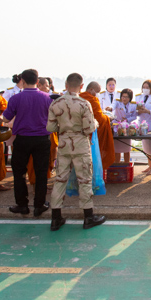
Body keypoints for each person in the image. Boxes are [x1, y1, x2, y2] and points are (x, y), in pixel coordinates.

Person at [46, 73, 107, 231]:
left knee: (60, 180)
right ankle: (88, 217)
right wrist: (94, 123)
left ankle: (55, 218)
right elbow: (88, 128)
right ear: (81, 86)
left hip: (64, 144)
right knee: (84, 180)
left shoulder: (56, 103)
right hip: (80, 145)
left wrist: (63, 128)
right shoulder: (84, 104)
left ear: (66, 84)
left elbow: (50, 128)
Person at [0, 69, 52, 218]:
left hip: (22, 138)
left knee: (19, 173)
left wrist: (0, 118)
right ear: (37, 81)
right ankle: (39, 205)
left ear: (22, 81)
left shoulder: (16, 98)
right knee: (41, 173)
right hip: (42, 139)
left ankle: (22, 205)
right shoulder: (47, 98)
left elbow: (7, 119)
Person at [79, 82, 116, 176]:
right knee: (91, 158)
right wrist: (108, 118)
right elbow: (99, 118)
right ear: (91, 90)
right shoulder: (92, 100)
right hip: (91, 134)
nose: (98, 94)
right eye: (97, 91)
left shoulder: (79, 97)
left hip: (79, 133)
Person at [136, 80, 151, 176]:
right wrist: (138, 111)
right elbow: (135, 109)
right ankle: (149, 165)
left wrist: (147, 111)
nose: (145, 89)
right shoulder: (139, 96)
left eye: (147, 87)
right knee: (146, 147)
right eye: (144, 87)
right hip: (142, 124)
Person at [113, 89, 137, 164]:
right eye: (123, 96)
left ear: (130, 98)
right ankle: (117, 165)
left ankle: (127, 166)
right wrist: (110, 108)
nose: (124, 98)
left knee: (126, 149)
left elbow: (134, 116)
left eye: (126, 97)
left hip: (127, 129)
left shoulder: (133, 105)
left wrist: (127, 119)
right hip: (117, 128)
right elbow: (112, 106)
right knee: (117, 150)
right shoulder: (117, 102)